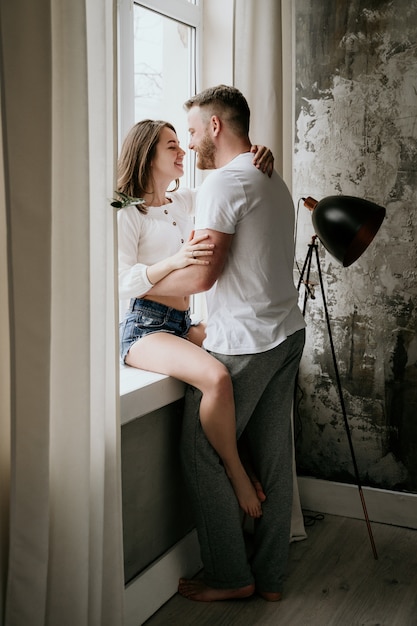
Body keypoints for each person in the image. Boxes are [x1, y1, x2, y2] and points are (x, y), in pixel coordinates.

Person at [145, 85, 306, 602]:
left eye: (191, 132)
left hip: (246, 342)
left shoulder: (223, 183)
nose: (190, 145)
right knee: (275, 459)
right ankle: (272, 580)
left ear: (215, 125)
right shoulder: (270, 177)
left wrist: (133, 290)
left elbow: (200, 280)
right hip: (286, 332)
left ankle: (230, 574)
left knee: (201, 451)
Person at [117, 119, 274, 518]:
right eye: (171, 146)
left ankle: (246, 463)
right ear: (147, 155)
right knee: (217, 377)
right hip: (145, 328)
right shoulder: (125, 211)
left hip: (183, 322)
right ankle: (237, 472)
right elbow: (119, 282)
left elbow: (233, 181)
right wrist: (174, 261)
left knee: (241, 363)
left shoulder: (183, 202)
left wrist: (258, 155)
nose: (182, 150)